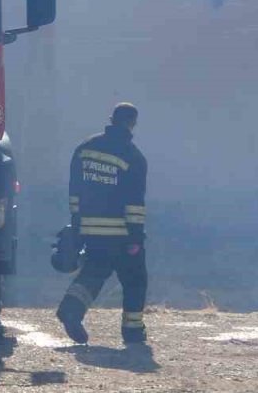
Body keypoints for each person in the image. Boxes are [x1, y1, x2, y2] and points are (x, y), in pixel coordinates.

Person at [57, 102, 149, 346]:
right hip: (120, 232)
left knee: (95, 272)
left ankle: (71, 309)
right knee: (135, 279)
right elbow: (134, 204)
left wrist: (77, 226)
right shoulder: (133, 156)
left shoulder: (84, 149)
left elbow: (74, 192)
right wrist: (135, 237)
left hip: (89, 228)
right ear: (132, 123)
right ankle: (133, 331)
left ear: (111, 119)